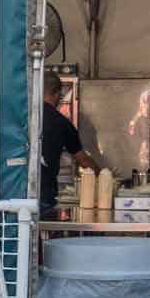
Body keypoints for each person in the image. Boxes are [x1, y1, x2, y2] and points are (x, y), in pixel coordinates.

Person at [39, 76, 98, 219]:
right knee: (45, 231)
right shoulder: (61, 123)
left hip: (18, 190)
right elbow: (83, 160)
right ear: (58, 94)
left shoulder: (24, 118)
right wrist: (104, 175)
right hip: (46, 191)